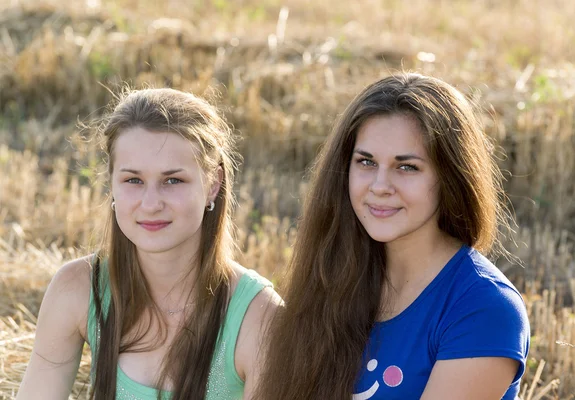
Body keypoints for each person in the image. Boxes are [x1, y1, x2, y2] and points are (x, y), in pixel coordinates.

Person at [254, 73, 530, 400]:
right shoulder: (332, 277)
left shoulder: (484, 309)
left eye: (407, 167)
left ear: (450, 176)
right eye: (366, 162)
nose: (380, 186)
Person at [17, 88, 281, 400]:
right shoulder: (77, 289)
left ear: (213, 185)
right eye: (133, 180)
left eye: (173, 181)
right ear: (112, 183)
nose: (151, 203)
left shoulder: (260, 318)